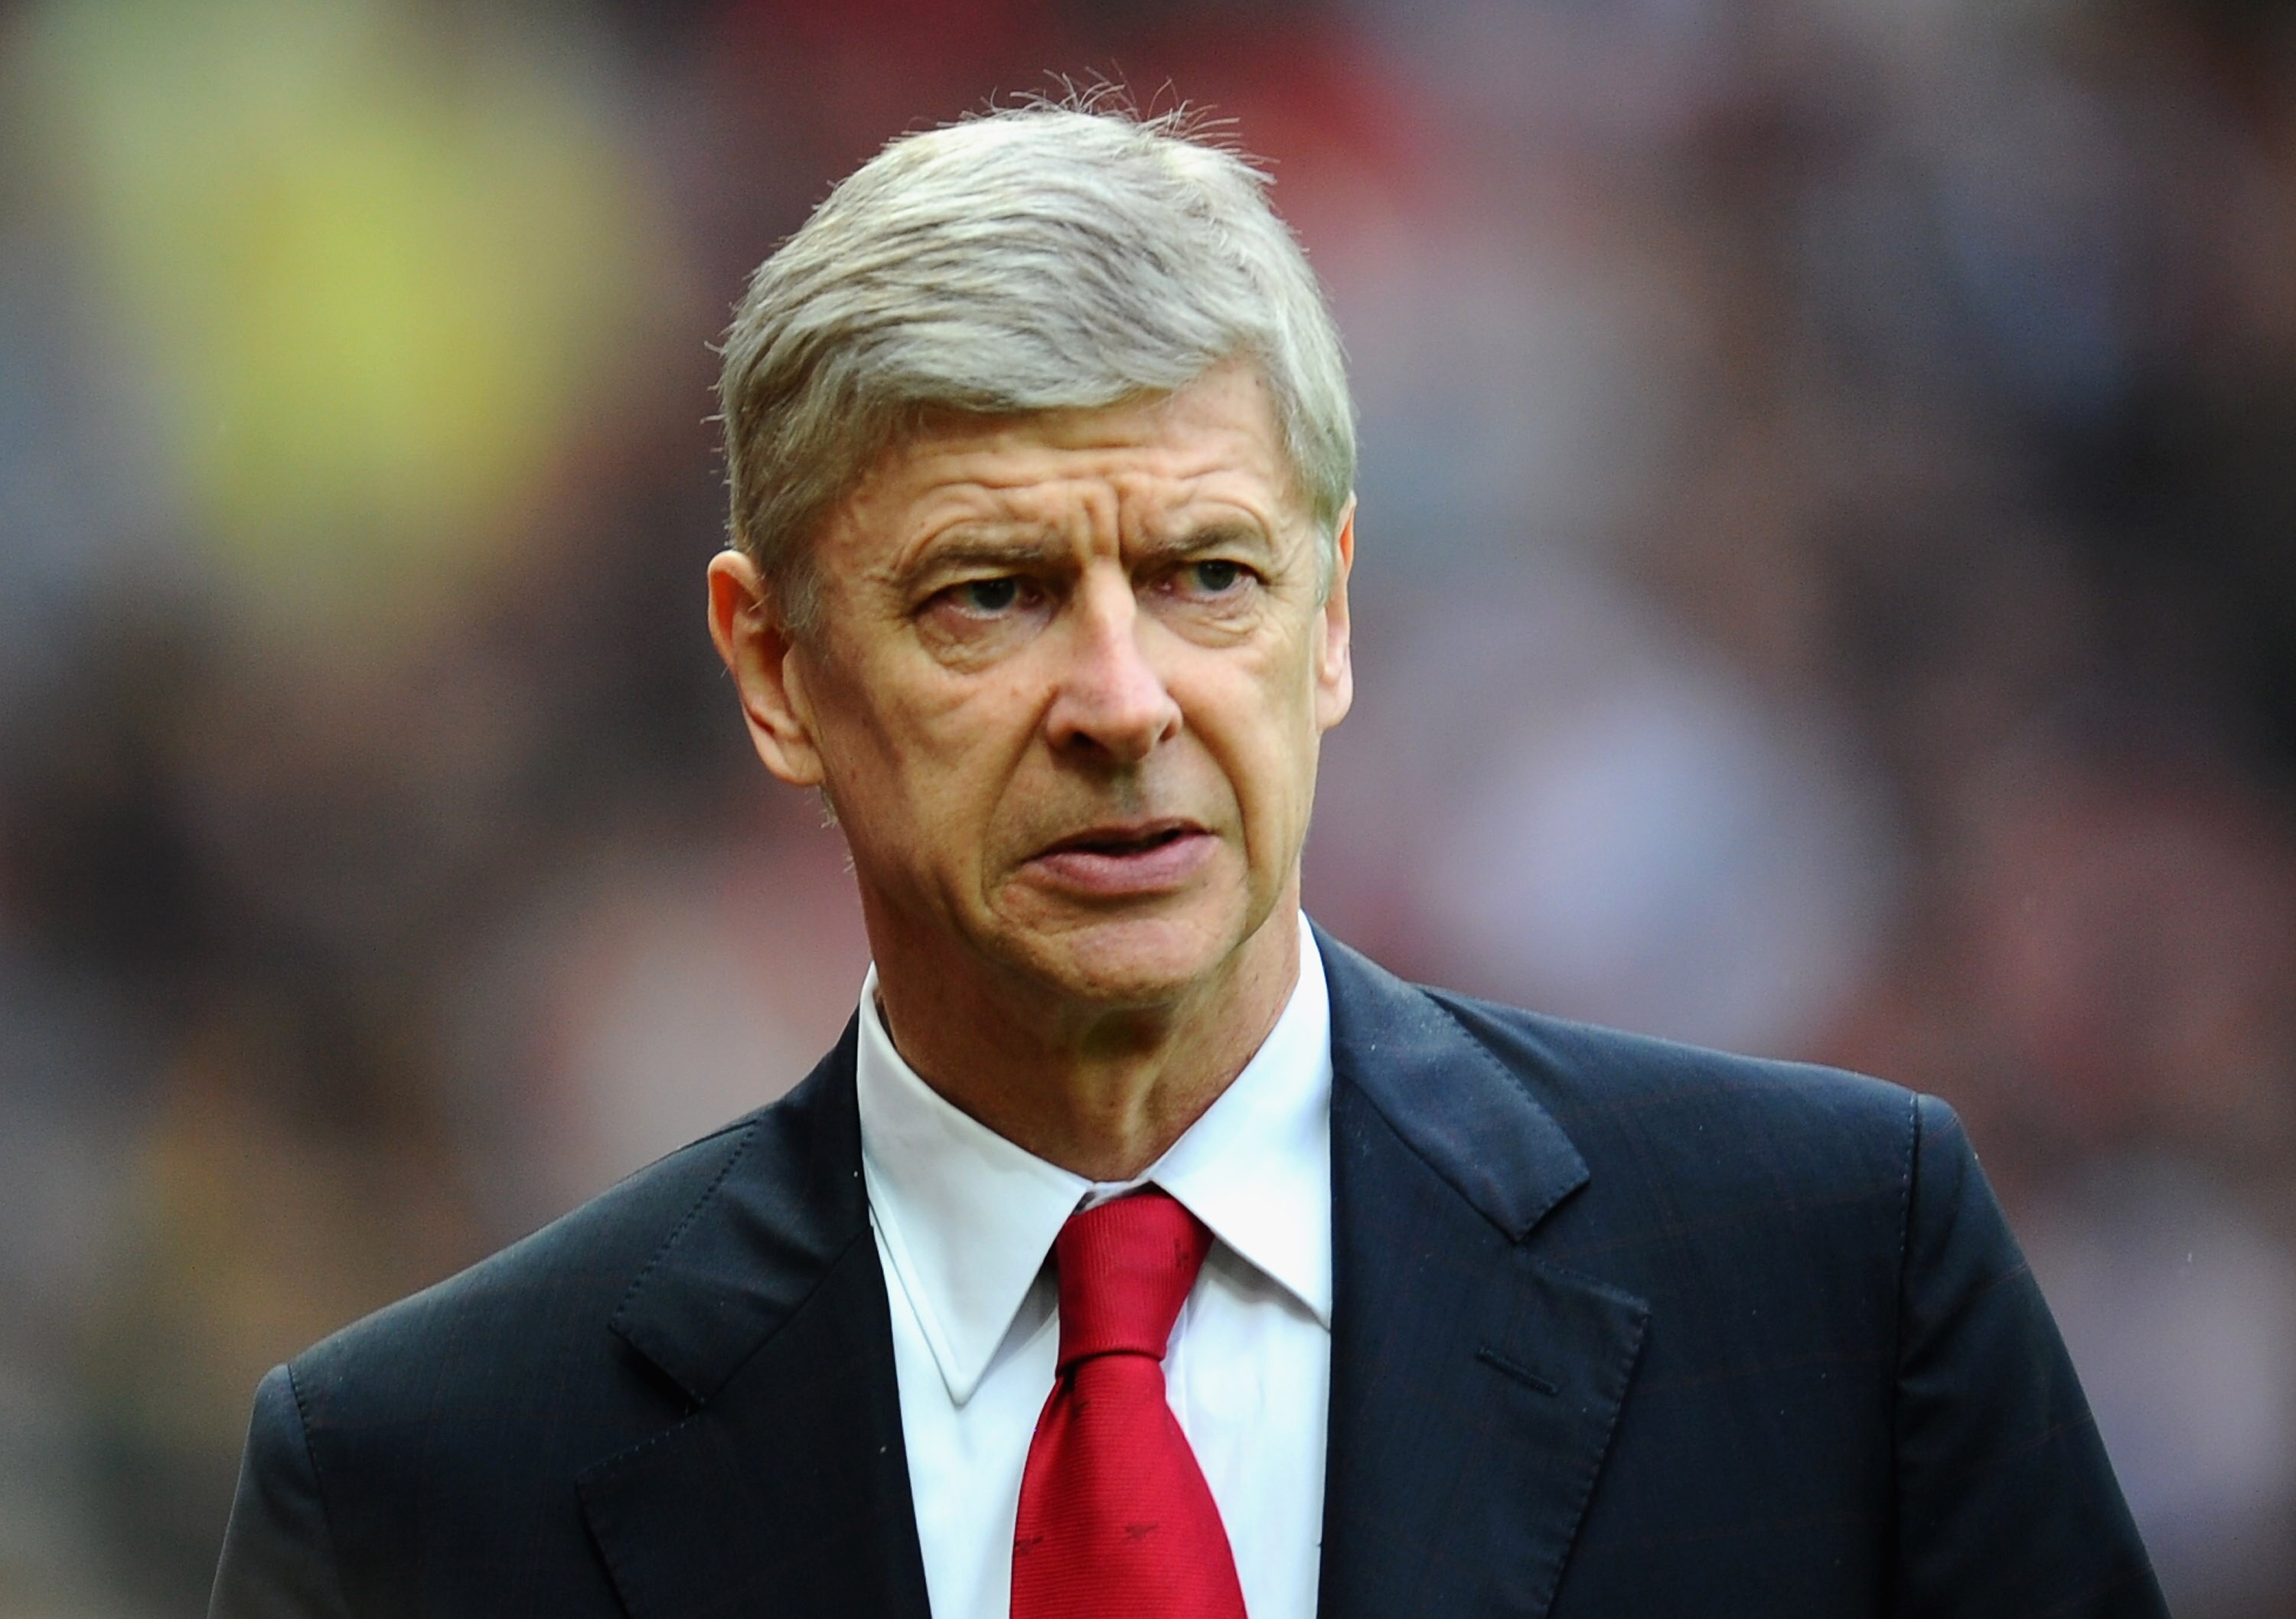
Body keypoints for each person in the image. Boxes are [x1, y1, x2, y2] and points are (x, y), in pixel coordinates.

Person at [209, 103, 2165, 1619]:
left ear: (1331, 619)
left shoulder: (1836, 1276)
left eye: (1207, 574)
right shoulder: (424, 1476)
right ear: (776, 670)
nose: (1125, 698)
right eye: (991, 594)